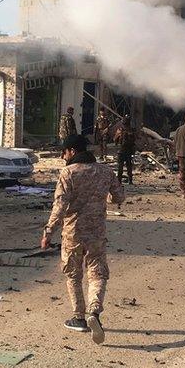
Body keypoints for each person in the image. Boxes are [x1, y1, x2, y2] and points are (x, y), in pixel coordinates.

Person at [41, 134, 124, 344]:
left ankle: (79, 317)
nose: (62, 155)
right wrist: (104, 197)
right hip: (96, 231)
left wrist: (48, 231)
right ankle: (94, 311)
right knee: (97, 273)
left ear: (73, 151)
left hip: (73, 232)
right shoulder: (105, 171)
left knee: (73, 274)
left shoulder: (68, 173)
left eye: (65, 151)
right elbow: (119, 197)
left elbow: (59, 205)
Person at [114, 115, 136, 184]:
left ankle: (119, 181)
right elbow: (135, 140)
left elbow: (115, 140)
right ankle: (130, 180)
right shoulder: (132, 130)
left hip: (121, 150)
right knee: (129, 166)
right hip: (129, 151)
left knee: (120, 166)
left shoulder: (120, 130)